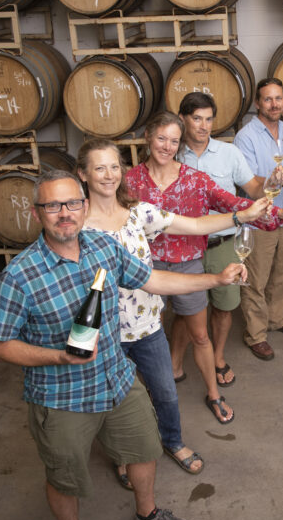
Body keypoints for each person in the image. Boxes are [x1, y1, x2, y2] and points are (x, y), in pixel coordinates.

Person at [0, 170, 245, 520]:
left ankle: (148, 513)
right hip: (61, 398)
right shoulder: (19, 276)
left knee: (145, 449)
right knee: (65, 476)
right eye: (52, 206)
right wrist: (57, 357)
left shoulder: (103, 248)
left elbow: (151, 279)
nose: (64, 213)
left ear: (84, 206)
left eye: (71, 203)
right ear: (38, 214)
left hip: (118, 380)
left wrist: (213, 279)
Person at [78, 138, 271, 481]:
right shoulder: (75, 227)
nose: (109, 175)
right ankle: (125, 457)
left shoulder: (138, 211)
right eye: (99, 167)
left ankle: (172, 441)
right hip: (104, 335)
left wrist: (242, 215)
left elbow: (194, 225)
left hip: (148, 327)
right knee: (115, 401)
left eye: (114, 167)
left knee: (165, 392)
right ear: (83, 174)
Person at [125, 112, 283, 425]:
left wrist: (279, 212)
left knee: (200, 335)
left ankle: (213, 393)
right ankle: (145, 401)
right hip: (142, 269)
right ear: (147, 137)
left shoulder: (194, 179)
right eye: (161, 138)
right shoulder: (129, 182)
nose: (167, 146)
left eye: (173, 140)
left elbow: (234, 204)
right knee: (141, 340)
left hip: (188, 266)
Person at [170, 92, 263, 389]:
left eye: (209, 119)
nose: (204, 126)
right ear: (183, 118)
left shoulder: (229, 153)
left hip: (223, 244)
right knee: (187, 309)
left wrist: (274, 184)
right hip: (186, 246)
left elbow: (252, 188)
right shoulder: (171, 154)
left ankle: (218, 357)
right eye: (197, 118)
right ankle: (174, 362)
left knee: (225, 307)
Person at [233, 78, 283, 360]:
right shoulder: (246, 137)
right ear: (257, 103)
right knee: (256, 279)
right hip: (261, 217)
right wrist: (276, 180)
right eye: (268, 99)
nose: (274, 104)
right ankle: (256, 334)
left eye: (278, 98)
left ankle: (277, 318)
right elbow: (249, 182)